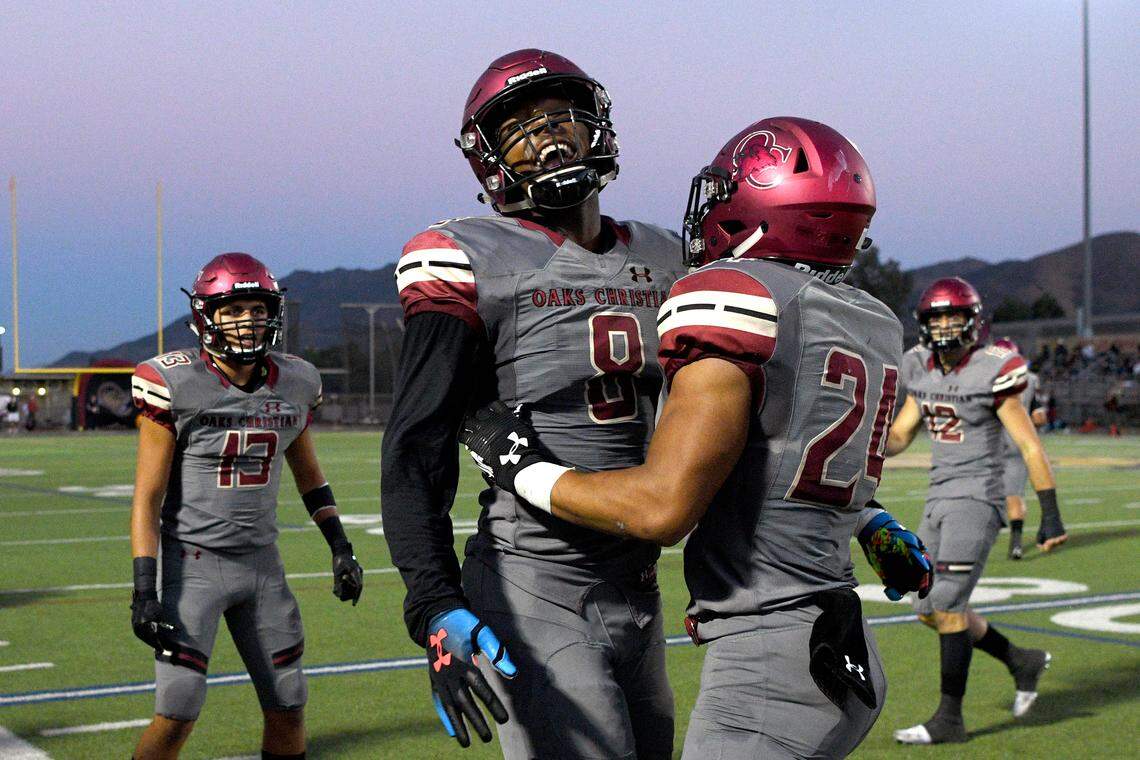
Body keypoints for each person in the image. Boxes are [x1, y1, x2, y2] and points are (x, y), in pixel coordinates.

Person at [461, 117, 934, 759]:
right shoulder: (870, 319)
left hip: (769, 659)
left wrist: (522, 467)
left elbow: (662, 509)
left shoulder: (733, 296)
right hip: (835, 639)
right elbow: (781, 460)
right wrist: (871, 519)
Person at [380, 49, 688, 758]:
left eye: (561, 118)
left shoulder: (670, 256)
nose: (548, 137)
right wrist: (433, 603)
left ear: (597, 128)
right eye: (519, 128)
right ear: (489, 158)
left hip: (639, 584)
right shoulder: (466, 254)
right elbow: (418, 443)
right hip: (534, 580)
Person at [128, 252, 363, 760]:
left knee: (289, 701)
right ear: (206, 317)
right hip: (191, 565)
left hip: (262, 564)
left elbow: (310, 478)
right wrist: (144, 588)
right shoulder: (173, 382)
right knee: (178, 709)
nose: (248, 321)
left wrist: (340, 546)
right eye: (234, 310)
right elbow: (148, 496)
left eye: (257, 309)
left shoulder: (297, 382)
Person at [884, 277, 1067, 745]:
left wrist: (1049, 512)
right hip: (940, 493)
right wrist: (863, 444)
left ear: (972, 321)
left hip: (979, 498)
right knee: (925, 605)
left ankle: (950, 720)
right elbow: (904, 432)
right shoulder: (919, 365)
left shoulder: (994, 368)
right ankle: (1019, 659)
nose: (945, 325)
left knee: (946, 604)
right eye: (937, 316)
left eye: (953, 316)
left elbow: (1028, 443)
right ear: (924, 323)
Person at [992, 337, 1047, 559]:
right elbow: (1040, 417)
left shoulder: (980, 378)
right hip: (1017, 443)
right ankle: (1015, 544)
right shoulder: (1031, 380)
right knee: (1014, 495)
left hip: (986, 444)